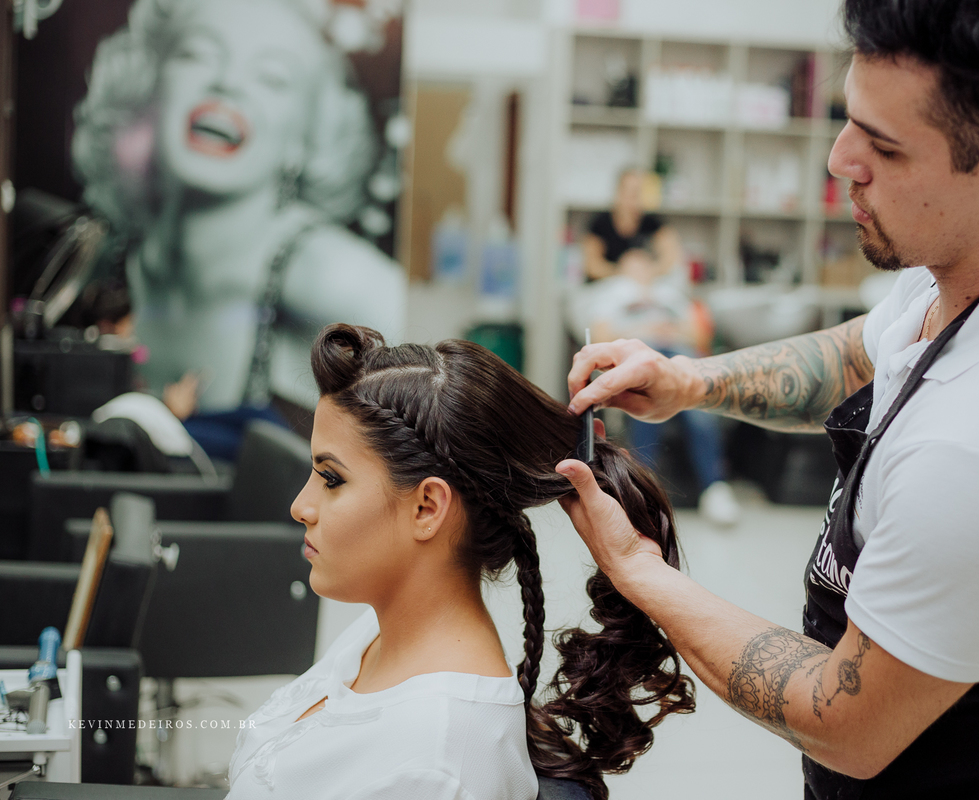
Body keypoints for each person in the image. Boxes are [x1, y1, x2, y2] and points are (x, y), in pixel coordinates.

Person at [558, 1, 979, 797]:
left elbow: (846, 721)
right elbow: (861, 354)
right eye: (850, 120)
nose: (840, 160)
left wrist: (638, 567)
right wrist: (689, 381)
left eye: (884, 147)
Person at [225, 324, 694, 800]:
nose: (300, 507)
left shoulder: (436, 767)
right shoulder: (378, 635)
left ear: (427, 507)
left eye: (331, 479)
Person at [72, 0, 405, 460]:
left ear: (307, 136)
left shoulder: (337, 280)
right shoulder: (98, 263)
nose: (227, 83)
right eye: (197, 55)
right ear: (147, 90)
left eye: (272, 77)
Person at [579, 170, 739, 524]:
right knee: (646, 392)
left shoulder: (669, 294)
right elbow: (603, 337)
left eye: (645, 261)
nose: (639, 265)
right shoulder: (612, 293)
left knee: (697, 398)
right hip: (641, 349)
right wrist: (646, 330)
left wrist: (672, 330)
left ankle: (715, 488)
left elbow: (698, 336)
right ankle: (643, 491)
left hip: (676, 351)